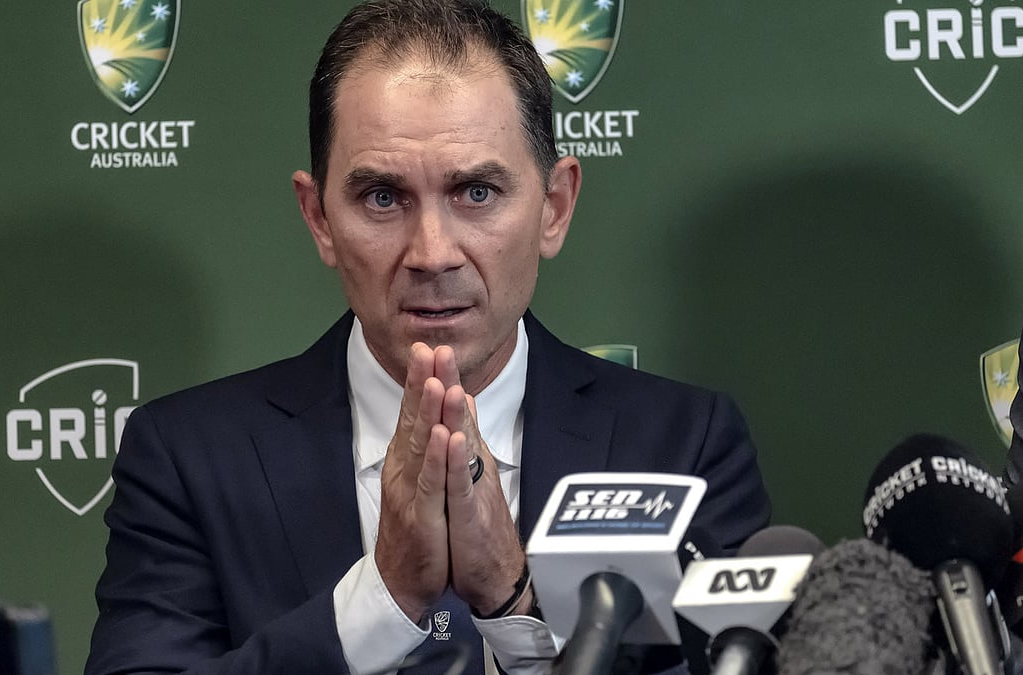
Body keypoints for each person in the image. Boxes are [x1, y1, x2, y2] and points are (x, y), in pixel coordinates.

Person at [84, 1, 771, 673]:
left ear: (554, 207)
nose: (432, 252)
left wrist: (514, 604)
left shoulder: (683, 444)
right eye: (382, 197)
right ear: (318, 216)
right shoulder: (188, 457)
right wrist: (383, 598)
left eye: (476, 192)